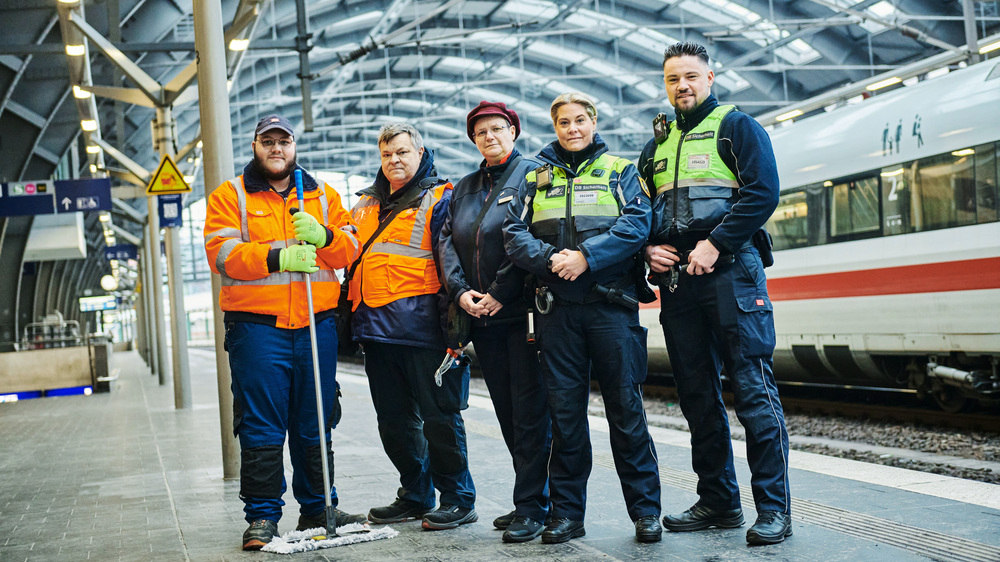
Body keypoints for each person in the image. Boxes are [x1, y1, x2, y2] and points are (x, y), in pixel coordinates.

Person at [638, 41, 791, 545]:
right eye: (672, 79)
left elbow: (763, 192)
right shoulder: (654, 146)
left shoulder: (736, 126)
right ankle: (720, 502)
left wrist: (716, 243)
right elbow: (640, 214)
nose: (681, 86)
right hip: (679, 282)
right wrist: (648, 251)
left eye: (690, 76)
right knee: (697, 397)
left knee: (751, 391)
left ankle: (773, 510)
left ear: (709, 77)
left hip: (731, 273)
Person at [503, 92, 662, 544]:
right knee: (566, 417)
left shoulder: (620, 171)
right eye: (563, 123)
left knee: (627, 413)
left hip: (611, 310)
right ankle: (567, 515)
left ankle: (646, 512)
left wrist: (586, 258)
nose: (572, 129)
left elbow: (637, 223)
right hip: (558, 314)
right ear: (554, 128)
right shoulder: (536, 178)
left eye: (579, 120)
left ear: (593, 122)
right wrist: (555, 260)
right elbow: (513, 233)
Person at [204, 114, 366, 550]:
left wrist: (324, 235)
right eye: (268, 141)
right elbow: (221, 254)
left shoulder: (322, 195)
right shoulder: (231, 195)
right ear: (255, 146)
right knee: (262, 424)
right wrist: (279, 257)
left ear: (294, 146)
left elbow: (350, 247)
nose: (276, 148)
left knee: (316, 418)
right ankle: (261, 516)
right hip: (258, 330)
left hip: (317, 325)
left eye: (284, 141)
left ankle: (318, 506)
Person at [348, 122, 477, 531]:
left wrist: (456, 326)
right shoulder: (365, 205)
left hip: (424, 328)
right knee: (393, 421)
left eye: (402, 152)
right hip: (376, 329)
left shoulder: (442, 197)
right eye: (387, 155)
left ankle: (458, 498)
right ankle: (416, 494)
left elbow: (452, 260)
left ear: (420, 154)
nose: (394, 161)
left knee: (440, 418)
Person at [439, 101, 551, 543]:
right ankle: (532, 498)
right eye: (480, 131)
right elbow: (446, 241)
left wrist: (498, 294)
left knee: (529, 412)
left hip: (521, 313)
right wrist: (461, 291)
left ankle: (533, 505)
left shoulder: (534, 174)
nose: (489, 136)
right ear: (473, 139)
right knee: (507, 411)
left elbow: (532, 238)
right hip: (482, 318)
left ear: (513, 131)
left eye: (497, 128)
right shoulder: (464, 187)